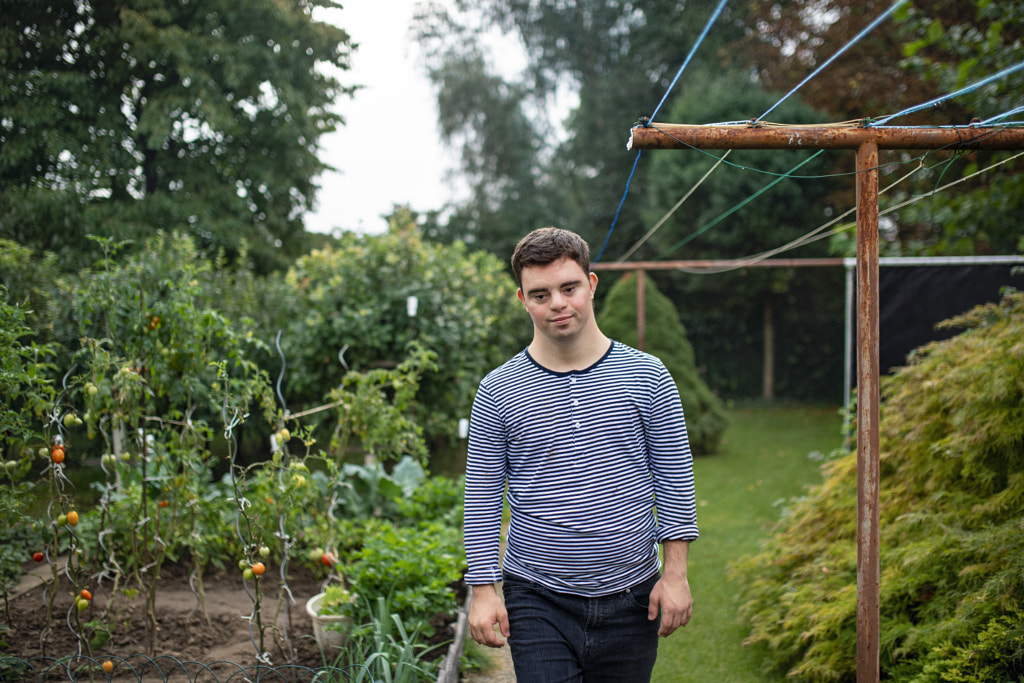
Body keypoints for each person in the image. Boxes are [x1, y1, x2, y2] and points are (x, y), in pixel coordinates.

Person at [463, 227, 699, 682]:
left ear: (591, 285)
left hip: (634, 597)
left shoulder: (647, 376)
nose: (557, 303)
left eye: (568, 287)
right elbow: (482, 496)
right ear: (522, 299)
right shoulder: (497, 391)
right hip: (537, 598)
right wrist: (483, 589)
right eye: (540, 294)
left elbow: (674, 480)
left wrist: (676, 575)